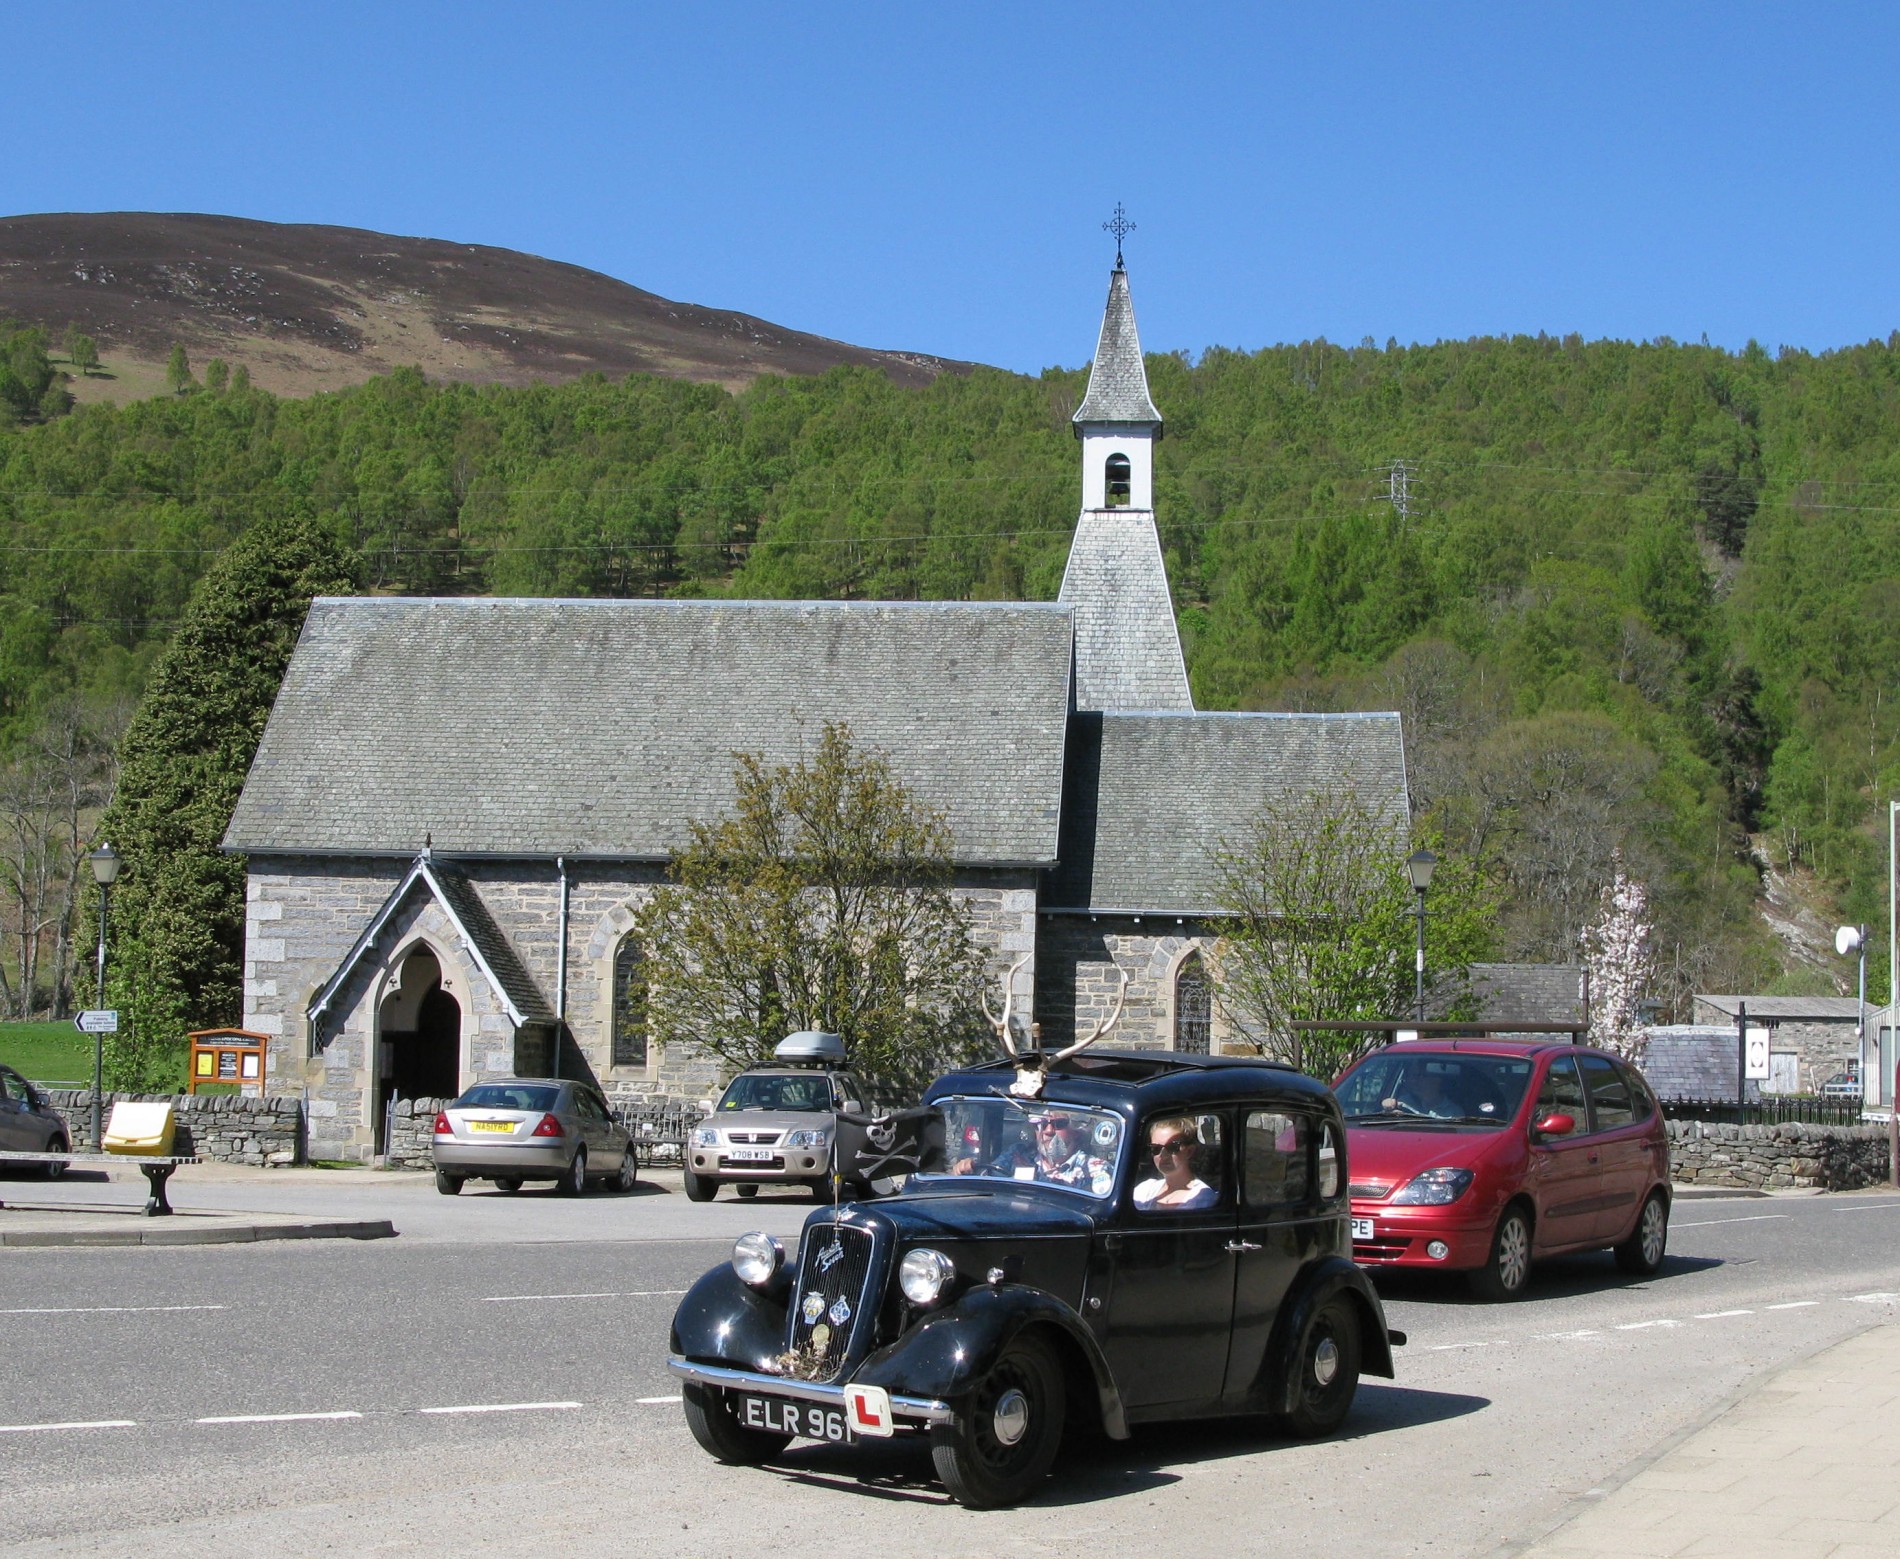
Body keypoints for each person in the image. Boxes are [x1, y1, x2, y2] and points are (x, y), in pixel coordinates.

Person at [1133, 1117, 1218, 1210]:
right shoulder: (1144, 1190)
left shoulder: (1203, 1198)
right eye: (1155, 1148)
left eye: (1172, 1147)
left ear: (1189, 1151)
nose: (1163, 1155)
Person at [1381, 1066, 1463, 1119]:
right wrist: (1387, 1108)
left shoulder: (1454, 1111)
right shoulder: (1404, 1102)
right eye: (1414, 1076)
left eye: (1422, 1076)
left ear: (1437, 1080)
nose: (1416, 1081)